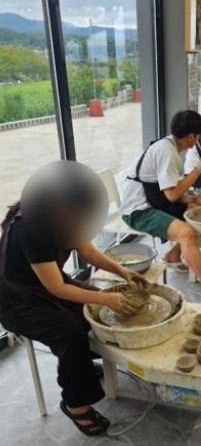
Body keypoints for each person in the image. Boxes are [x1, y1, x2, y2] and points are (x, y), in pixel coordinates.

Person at [0, 162, 150, 436]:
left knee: (92, 312)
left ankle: (80, 366)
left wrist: (122, 271)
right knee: (70, 333)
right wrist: (104, 299)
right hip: (17, 301)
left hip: (45, 285)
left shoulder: (64, 213)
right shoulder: (30, 227)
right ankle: (75, 404)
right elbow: (57, 288)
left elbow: (88, 251)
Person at [120, 110, 201, 307]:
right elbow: (172, 195)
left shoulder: (168, 145)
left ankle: (173, 255)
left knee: (196, 213)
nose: (198, 141)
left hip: (153, 200)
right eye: (198, 137)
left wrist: (194, 199)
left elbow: (170, 190)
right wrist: (198, 170)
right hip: (138, 210)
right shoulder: (168, 152)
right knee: (186, 232)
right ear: (191, 136)